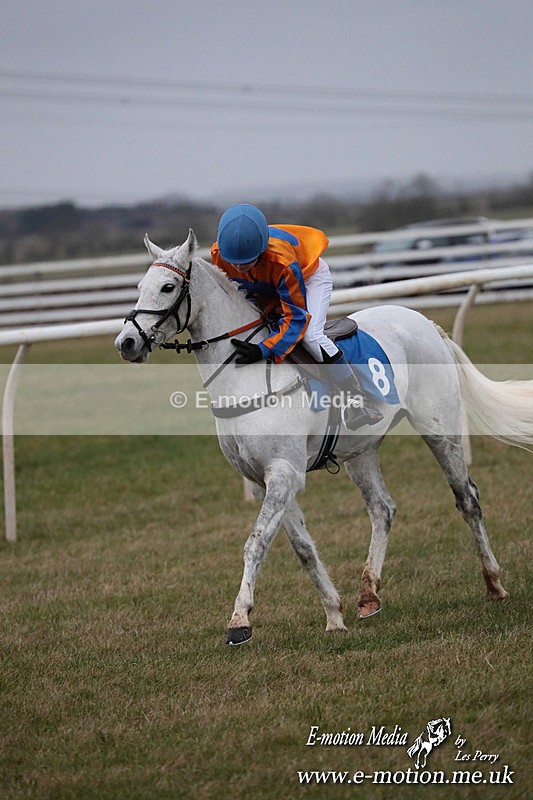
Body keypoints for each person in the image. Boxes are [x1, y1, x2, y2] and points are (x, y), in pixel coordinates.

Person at [211, 203, 383, 430]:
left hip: (308, 276)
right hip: (267, 282)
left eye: (247, 262)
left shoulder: (282, 262)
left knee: (311, 335)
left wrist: (263, 349)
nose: (239, 268)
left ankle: (357, 399)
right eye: (234, 262)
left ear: (260, 252)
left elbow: (296, 317)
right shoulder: (220, 255)